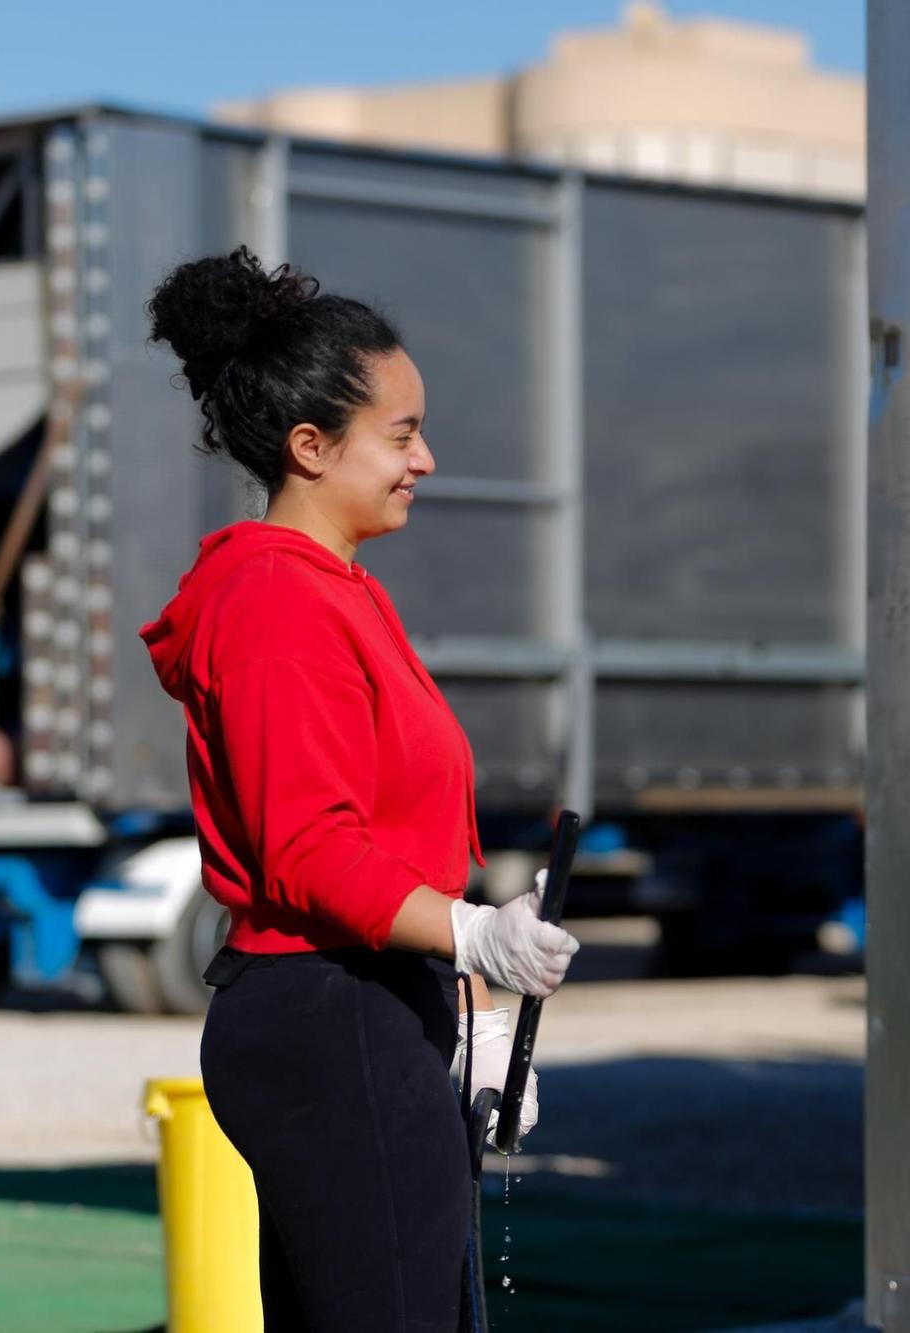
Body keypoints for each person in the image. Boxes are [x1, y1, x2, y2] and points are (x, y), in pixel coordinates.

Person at [139, 247, 580, 1331]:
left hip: (366, 1007)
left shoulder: (333, 591)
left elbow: (390, 842)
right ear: (309, 445)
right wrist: (474, 938)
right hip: (328, 1017)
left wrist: (466, 1011)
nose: (424, 458)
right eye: (400, 433)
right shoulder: (277, 602)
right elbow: (309, 849)